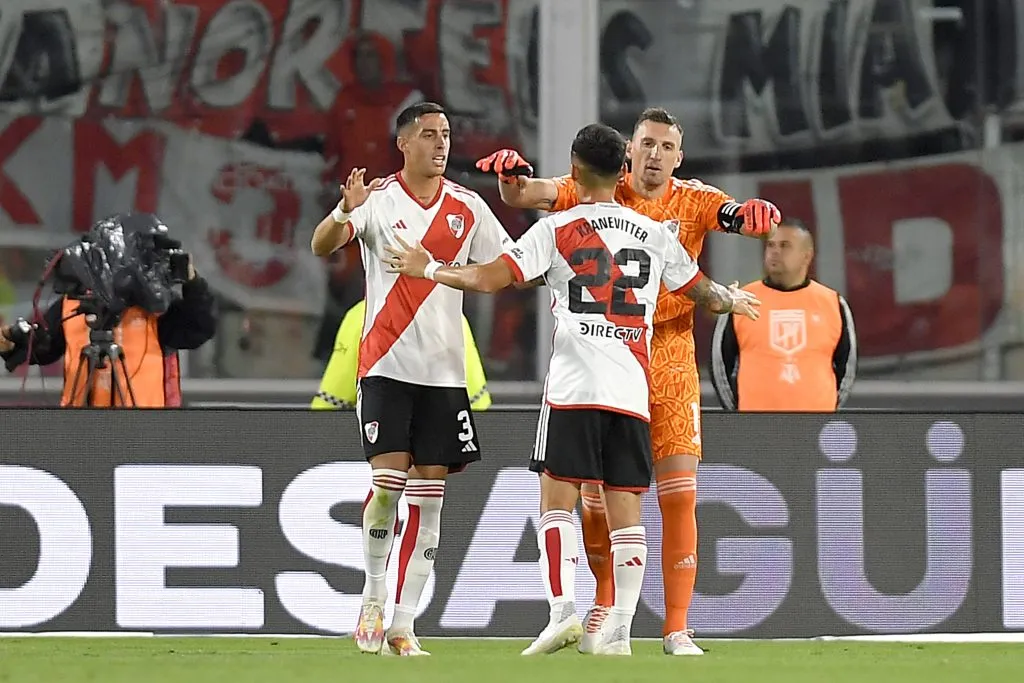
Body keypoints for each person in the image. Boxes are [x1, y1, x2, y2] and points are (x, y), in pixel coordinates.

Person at [383, 123, 761, 656]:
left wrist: (432, 268)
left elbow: (489, 278)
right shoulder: (655, 234)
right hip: (632, 388)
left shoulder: (557, 229)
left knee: (557, 500)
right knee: (627, 512)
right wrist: (731, 299)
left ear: (575, 169)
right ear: (622, 167)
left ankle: (563, 612)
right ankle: (622, 630)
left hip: (574, 386)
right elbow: (704, 294)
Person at [309, 101, 513, 656]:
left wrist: (452, 272)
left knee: (430, 501)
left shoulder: (469, 207)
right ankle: (373, 596)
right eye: (428, 134)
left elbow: (506, 270)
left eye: (445, 134)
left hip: (444, 374)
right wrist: (342, 212)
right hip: (385, 367)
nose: (440, 143)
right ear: (403, 143)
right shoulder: (377, 199)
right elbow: (322, 245)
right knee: (386, 487)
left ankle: (403, 625)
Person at [0, 242, 216, 407]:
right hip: (80, 432)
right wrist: (13, 345)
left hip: (144, 433)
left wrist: (193, 283)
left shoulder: (154, 306)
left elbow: (199, 327)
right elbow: (44, 348)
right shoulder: (72, 303)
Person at [710, 219, 857, 411]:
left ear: (807, 255)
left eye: (785, 246)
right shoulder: (741, 300)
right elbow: (720, 366)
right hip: (755, 424)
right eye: (771, 245)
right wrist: (739, 416)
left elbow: (847, 368)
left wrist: (827, 411)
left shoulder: (832, 303)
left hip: (817, 423)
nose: (775, 252)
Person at [311, 298, 491, 410]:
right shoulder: (451, 315)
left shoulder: (362, 316)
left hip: (381, 445)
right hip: (442, 448)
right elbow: (478, 407)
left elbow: (329, 407)